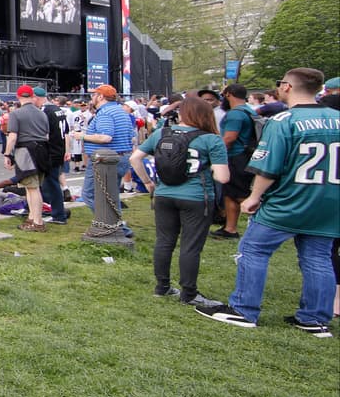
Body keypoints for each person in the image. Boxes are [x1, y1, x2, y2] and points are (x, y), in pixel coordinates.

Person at [196, 68, 339, 336]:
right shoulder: (337, 118)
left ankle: (243, 309)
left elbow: (268, 166)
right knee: (318, 258)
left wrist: (254, 197)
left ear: (287, 86)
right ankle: (315, 319)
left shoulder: (284, 120)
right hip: (329, 200)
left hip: (289, 199)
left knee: (253, 249)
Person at [129, 97, 230, 306]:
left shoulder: (161, 133)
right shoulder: (211, 139)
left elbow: (135, 158)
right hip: (196, 196)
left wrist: (147, 182)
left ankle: (162, 286)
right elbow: (222, 177)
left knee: (164, 241)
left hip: (164, 194)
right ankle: (189, 293)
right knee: (191, 245)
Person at [70, 84, 136, 228]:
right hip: (121, 156)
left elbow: (106, 137)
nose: (91, 98)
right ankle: (117, 224)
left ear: (100, 97)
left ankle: (114, 225)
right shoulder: (120, 111)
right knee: (111, 196)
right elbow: (132, 136)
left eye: (93, 95)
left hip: (105, 160)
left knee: (89, 195)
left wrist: (82, 136)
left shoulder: (105, 113)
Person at [210, 83, 258, 240]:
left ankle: (263, 224)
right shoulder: (249, 110)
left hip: (236, 158)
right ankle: (230, 229)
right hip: (245, 155)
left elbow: (229, 138)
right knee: (230, 194)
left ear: (228, 94)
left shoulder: (235, 114)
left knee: (240, 194)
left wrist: (215, 155)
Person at [1, 85, 50, 232]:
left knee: (32, 188)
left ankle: (38, 222)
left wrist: (7, 154)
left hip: (25, 150)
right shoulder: (42, 113)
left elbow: (12, 136)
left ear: (18, 97)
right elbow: (46, 135)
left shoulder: (16, 114)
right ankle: (32, 217)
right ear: (32, 96)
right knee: (32, 187)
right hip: (42, 149)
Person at [33, 87, 70, 225]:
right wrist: (66, 149)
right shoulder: (57, 109)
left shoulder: (45, 111)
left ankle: (58, 215)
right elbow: (66, 132)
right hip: (59, 149)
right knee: (51, 182)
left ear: (36, 98)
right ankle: (53, 210)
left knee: (51, 184)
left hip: (51, 151)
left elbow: (44, 133)